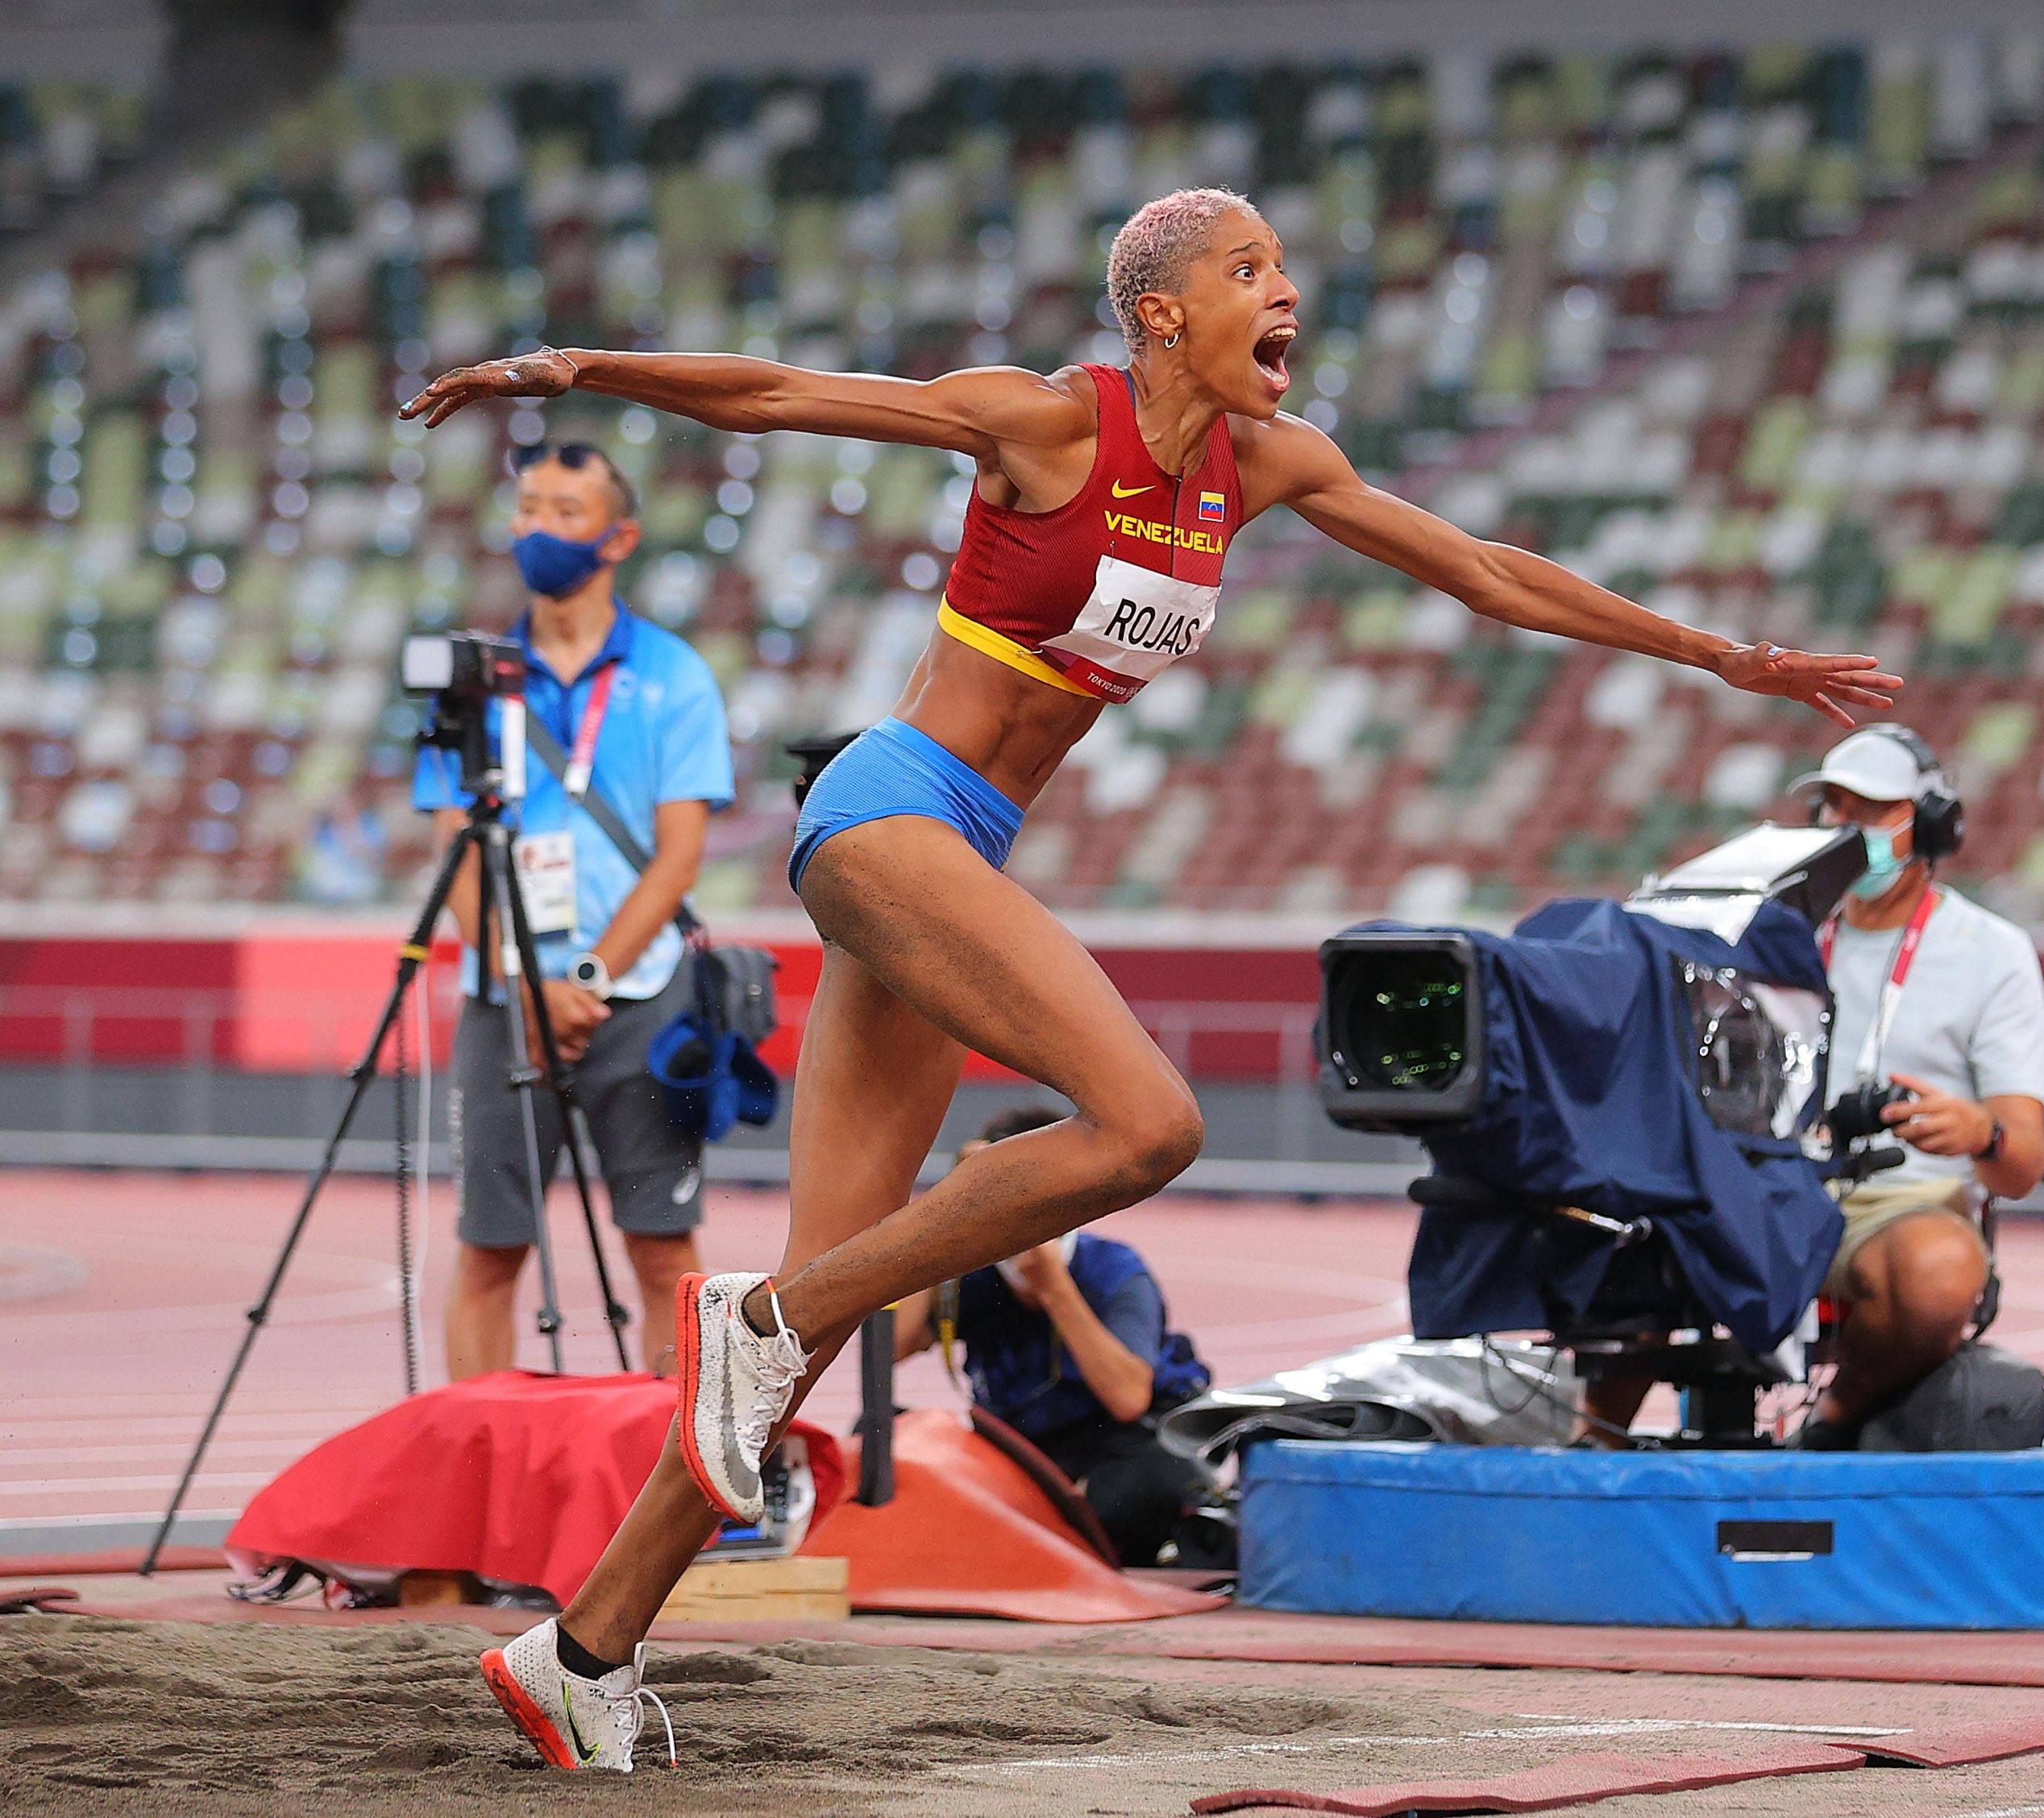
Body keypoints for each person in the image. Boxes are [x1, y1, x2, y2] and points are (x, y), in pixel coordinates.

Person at [404, 185, 1902, 1772]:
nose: (1288, 288)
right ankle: (761, 1315)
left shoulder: (1264, 465)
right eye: (1249, 266)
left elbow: (1489, 572)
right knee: (1144, 1121)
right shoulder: (1047, 425)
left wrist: (1727, 656)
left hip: (960, 848)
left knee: (821, 1317)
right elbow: (782, 395)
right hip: (890, 811)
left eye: (1284, 265)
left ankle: (580, 1646)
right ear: (1163, 309)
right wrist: (567, 367)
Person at [412, 441, 735, 1383]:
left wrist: (582, 979)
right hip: (503, 1004)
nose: (539, 527)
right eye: (527, 507)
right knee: (489, 1252)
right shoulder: (469, 680)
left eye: (566, 510)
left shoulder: (675, 675)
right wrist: (527, 981)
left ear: (618, 535)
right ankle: (479, 1474)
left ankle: (677, 1487)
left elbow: (677, 858)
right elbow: (456, 855)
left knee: (664, 1254)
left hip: (639, 1003)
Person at [1789, 724, 2044, 1449]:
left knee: (1942, 1273)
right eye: (1832, 808)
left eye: (1870, 810)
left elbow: (2023, 1162)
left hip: (1903, 1205)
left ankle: (1833, 1422)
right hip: (1774, 1189)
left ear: (1931, 824)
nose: (1845, 829)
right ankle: (1596, 1453)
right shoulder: (1778, 934)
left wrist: (1982, 1132)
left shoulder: (1992, 953)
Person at [895, 1104, 1213, 1566]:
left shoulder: (1114, 1270)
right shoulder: (976, 1274)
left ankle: (1039, 1539)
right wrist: (944, 1217)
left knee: (1147, 1486)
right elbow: (890, 1349)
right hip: (1017, 1446)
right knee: (884, 1437)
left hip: (1114, 1440)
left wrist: (1053, 1286)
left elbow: (1127, 1397)